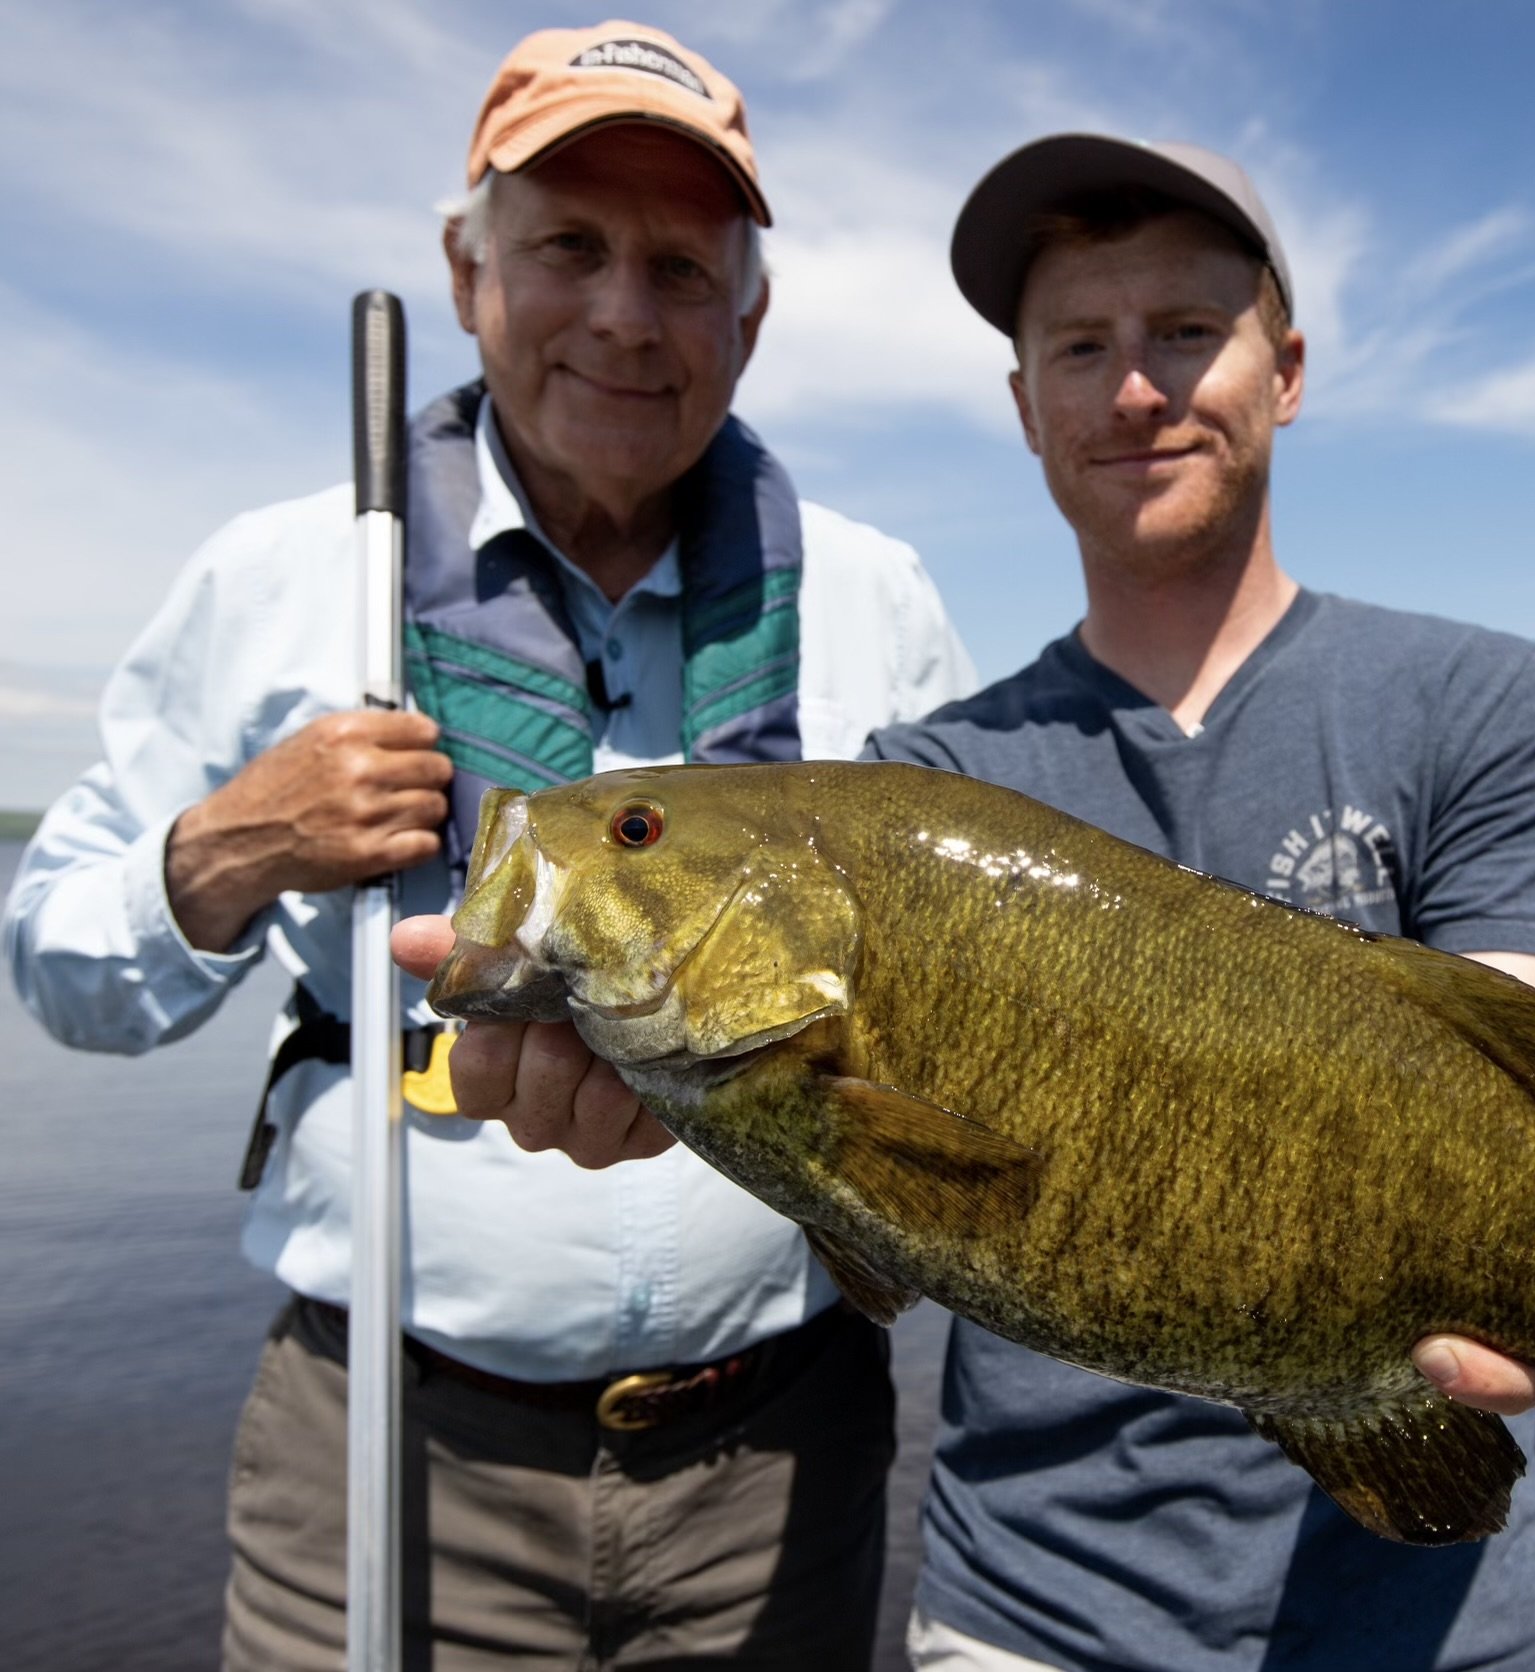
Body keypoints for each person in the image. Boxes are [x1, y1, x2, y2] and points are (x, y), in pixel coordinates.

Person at [2, 22, 973, 1671]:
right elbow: (62, 965)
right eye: (568, 248)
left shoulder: (879, 599)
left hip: (781, 1465)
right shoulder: (281, 578)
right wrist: (226, 853)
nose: (622, 313)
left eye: (681, 265)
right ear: (466, 275)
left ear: (752, 313)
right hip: (386, 1448)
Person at [855, 137, 1535, 1672]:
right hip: (1033, 1621)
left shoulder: (1486, 702)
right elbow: (864, 1208)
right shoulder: (919, 790)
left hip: (1442, 1618)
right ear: (1024, 407)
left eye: (1188, 333)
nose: (1136, 390)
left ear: (1288, 369)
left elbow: (1526, 1128)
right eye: (1081, 346)